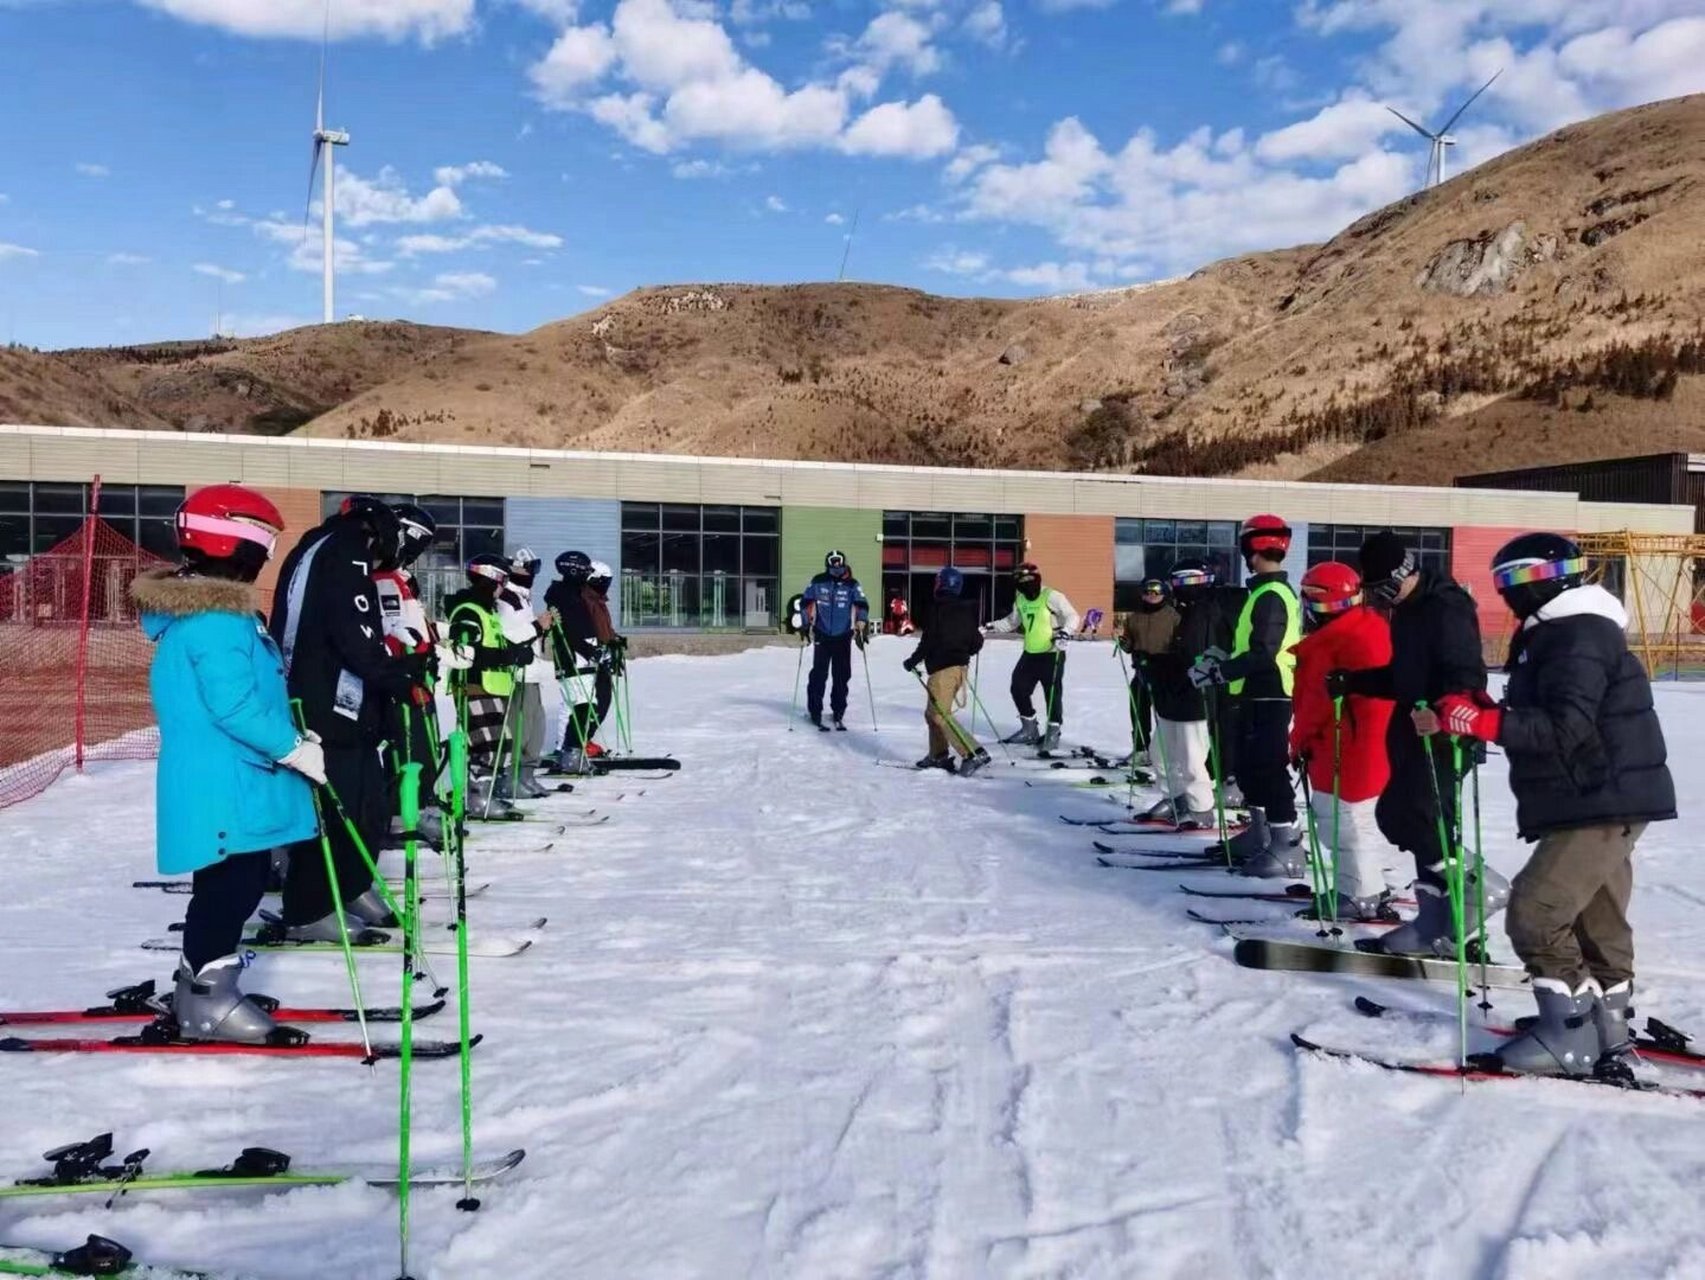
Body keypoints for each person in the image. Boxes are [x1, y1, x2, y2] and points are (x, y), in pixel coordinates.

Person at [1430, 534, 1675, 1077]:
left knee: (1537, 913)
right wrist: (1485, 709)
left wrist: (1483, 722)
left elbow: (1566, 726)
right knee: (1597, 919)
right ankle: (1601, 1025)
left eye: (1515, 581)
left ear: (1552, 578)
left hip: (1596, 796)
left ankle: (1569, 1035)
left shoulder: (1574, 635)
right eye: (1501, 584)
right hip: (1602, 794)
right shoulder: (1568, 632)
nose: (1508, 594)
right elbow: (1562, 711)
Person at [133, 485, 319, 1044]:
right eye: (263, 546)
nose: (265, 558)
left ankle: (200, 982)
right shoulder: (217, 621)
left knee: (232, 882)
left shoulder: (212, 615)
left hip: (229, 775)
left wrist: (289, 732)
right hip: (228, 778)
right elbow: (234, 705)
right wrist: (292, 748)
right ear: (237, 546)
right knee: (232, 886)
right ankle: (206, 1001)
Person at [1332, 530, 1509, 955]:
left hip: (1444, 734)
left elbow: (1466, 674)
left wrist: (1445, 715)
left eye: (1377, 589)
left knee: (1420, 818)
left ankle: (1477, 889)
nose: (1374, 599)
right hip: (1412, 729)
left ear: (1397, 576)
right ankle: (1433, 919)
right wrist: (1356, 681)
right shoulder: (1408, 610)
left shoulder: (1445, 607)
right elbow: (1403, 675)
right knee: (1401, 816)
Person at [270, 495, 426, 937]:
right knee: (340, 807)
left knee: (367, 802)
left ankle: (350, 884)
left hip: (324, 695)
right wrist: (399, 679)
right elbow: (355, 635)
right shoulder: (347, 550)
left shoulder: (315, 544)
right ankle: (310, 907)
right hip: (329, 701)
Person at [1190, 515, 1302, 875]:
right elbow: (1251, 648)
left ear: (1250, 547)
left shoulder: (1271, 594)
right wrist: (1223, 659)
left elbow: (1264, 652)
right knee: (1249, 767)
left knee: (1269, 767)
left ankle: (1287, 843)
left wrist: (1222, 671)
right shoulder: (1261, 592)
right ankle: (1259, 832)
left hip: (1271, 693)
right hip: (1253, 691)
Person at [1289, 562, 1397, 917]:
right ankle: (1367, 885)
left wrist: (1297, 741)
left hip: (1344, 744)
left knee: (1342, 821)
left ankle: (1360, 892)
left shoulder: (1331, 642)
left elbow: (1314, 704)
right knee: (1357, 819)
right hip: (1371, 742)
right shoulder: (1370, 626)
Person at [372, 502, 445, 844]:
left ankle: (416, 807)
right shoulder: (385, 578)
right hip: (401, 677)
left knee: (424, 746)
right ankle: (399, 814)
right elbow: (391, 626)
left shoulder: (402, 578)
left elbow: (413, 622)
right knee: (410, 746)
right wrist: (405, 660)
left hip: (419, 673)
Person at [445, 555, 539, 817]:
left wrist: (516, 652)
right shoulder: (468, 610)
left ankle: (484, 793)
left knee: (499, 743)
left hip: (493, 686)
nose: (504, 586)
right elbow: (468, 652)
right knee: (487, 745)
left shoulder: (487, 609)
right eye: (502, 580)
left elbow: (495, 645)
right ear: (491, 579)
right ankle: (477, 798)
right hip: (474, 686)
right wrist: (509, 656)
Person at [1142, 559, 1230, 829]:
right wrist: (1154, 663)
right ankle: (1176, 798)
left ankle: (1201, 808)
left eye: (1182, 583)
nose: (1177, 589)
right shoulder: (1185, 611)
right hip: (1173, 695)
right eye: (1175, 583)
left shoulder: (1209, 611)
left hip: (1196, 699)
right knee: (1161, 753)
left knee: (1192, 757)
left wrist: (1204, 665)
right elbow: (1180, 652)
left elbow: (1212, 650)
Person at [902, 566, 989, 775]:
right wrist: (962, 650)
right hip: (958, 670)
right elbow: (977, 641)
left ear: (940, 584)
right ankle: (938, 755)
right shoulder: (967, 610)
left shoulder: (936, 609)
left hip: (942, 671)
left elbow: (928, 640)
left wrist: (912, 661)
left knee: (940, 715)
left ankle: (973, 752)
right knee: (932, 714)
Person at [986, 562, 1080, 750]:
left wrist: (1065, 632)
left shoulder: (1051, 596)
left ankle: (1053, 733)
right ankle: (1029, 729)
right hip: (1030, 653)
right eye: (1021, 580)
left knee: (1052, 694)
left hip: (1051, 653)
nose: (1026, 582)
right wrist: (991, 626)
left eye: (1029, 578)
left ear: (1037, 578)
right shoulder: (1020, 599)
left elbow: (1072, 615)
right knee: (1018, 688)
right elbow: (1012, 622)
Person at [495, 547, 556, 798]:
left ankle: (527, 775)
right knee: (520, 728)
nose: (532, 573)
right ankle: (510, 778)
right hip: (518, 674)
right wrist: (537, 626)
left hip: (533, 672)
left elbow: (529, 632)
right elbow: (508, 635)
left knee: (536, 729)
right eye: (530, 567)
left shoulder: (523, 597)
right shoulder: (505, 599)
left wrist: (543, 628)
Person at [801, 549, 870, 731]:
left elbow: (862, 604)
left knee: (841, 676)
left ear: (844, 563)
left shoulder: (852, 584)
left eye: (839, 562)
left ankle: (838, 712)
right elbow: (806, 602)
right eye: (833, 562)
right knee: (819, 675)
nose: (836, 565)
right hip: (822, 635)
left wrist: (862, 621)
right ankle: (815, 711)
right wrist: (804, 623)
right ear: (828, 563)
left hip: (842, 636)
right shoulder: (818, 581)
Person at [1117, 577, 1177, 769]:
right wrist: (1125, 644)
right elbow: (1129, 642)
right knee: (1138, 710)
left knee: (1166, 714)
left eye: (1156, 593)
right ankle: (1141, 749)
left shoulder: (1174, 616)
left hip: (1165, 672)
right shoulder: (1134, 617)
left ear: (1163, 594)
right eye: (1147, 593)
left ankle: (1167, 752)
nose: (1151, 597)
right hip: (1141, 671)